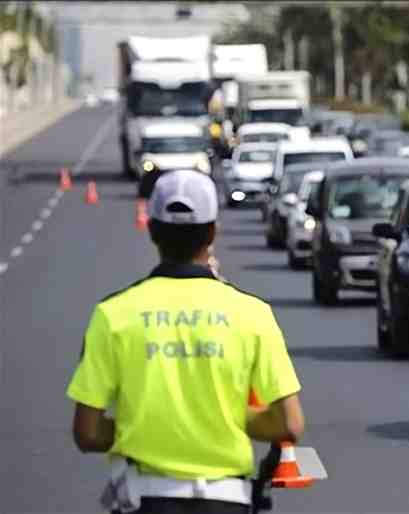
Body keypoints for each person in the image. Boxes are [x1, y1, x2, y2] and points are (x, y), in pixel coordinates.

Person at [67, 169, 305, 514]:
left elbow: (87, 432)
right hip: (227, 500)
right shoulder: (253, 314)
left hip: (144, 500)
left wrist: (148, 424)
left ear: (151, 230)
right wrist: (223, 417)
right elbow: (289, 424)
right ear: (212, 233)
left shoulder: (113, 315)